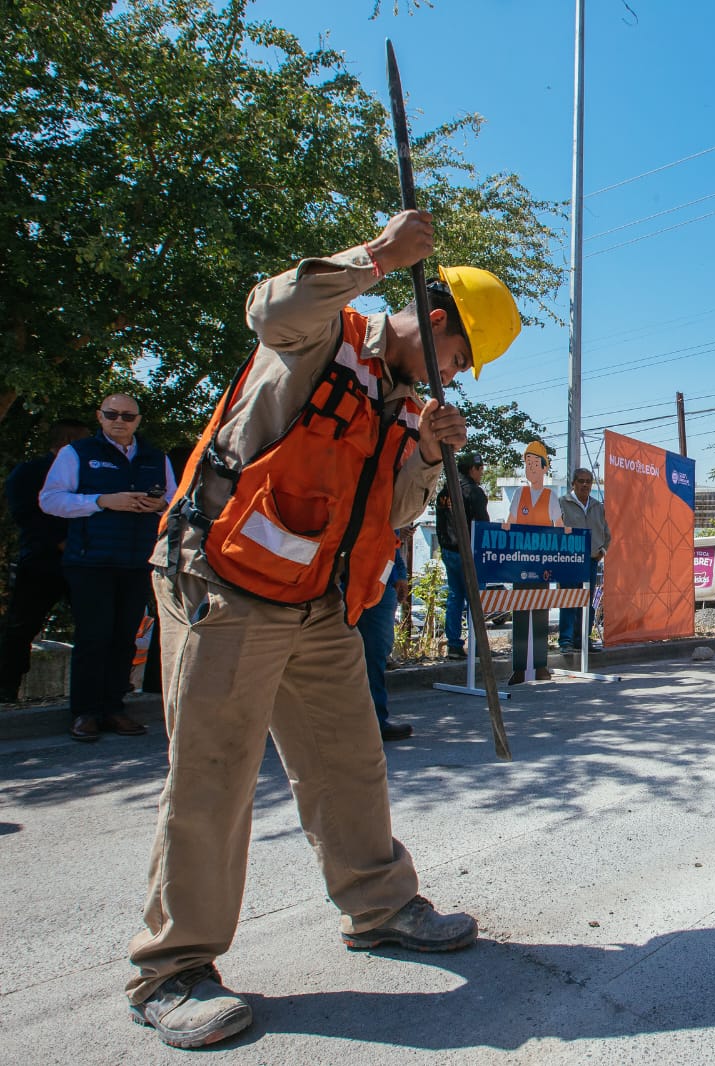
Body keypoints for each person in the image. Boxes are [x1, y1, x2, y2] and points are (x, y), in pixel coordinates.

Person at [129, 210, 521, 1049]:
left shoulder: (401, 403)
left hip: (316, 607)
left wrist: (423, 454)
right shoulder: (324, 334)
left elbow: (393, 514)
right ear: (437, 320)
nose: (453, 378)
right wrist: (377, 256)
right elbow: (268, 311)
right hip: (224, 585)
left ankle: (378, 907)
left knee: (349, 759)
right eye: (457, 360)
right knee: (212, 771)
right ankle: (172, 969)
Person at [39, 394, 174, 742]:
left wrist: (159, 504)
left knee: (124, 638)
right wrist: (101, 501)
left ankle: (115, 708)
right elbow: (50, 500)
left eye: (127, 416)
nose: (120, 421)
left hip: (136, 560)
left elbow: (177, 503)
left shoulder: (155, 457)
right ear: (99, 417)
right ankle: (85, 713)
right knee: (93, 637)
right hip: (91, 560)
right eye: (112, 414)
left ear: (138, 420)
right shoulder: (77, 453)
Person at [0, 419, 90, 702]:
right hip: (41, 562)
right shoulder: (30, 472)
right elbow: (24, 514)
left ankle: (92, 694)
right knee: (21, 626)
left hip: (84, 561)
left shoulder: (87, 473)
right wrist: (58, 542)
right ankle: (5, 690)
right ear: (69, 442)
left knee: (93, 626)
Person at [504, 438, 566, 683]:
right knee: (519, 612)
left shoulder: (551, 496)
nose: (530, 468)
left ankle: (540, 666)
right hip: (520, 562)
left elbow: (559, 526)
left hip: (542, 564)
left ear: (544, 467)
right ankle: (519, 669)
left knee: (540, 612)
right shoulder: (520, 493)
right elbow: (509, 522)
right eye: (527, 463)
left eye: (535, 463)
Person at [356, 540, 413, 741]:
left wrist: (400, 574)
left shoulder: (387, 509)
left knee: (375, 655)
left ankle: (376, 721)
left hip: (380, 583)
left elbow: (390, 538)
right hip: (344, 578)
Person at [436, 452, 490, 660]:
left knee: (455, 596)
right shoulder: (473, 492)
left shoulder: (444, 491)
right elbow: (483, 525)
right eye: (481, 470)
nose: (482, 474)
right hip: (469, 553)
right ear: (472, 469)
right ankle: (477, 645)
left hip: (449, 550)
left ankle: (454, 645)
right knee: (475, 599)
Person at [558, 466, 609, 652]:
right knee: (569, 599)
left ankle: (583, 640)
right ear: (573, 483)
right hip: (569, 561)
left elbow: (606, 533)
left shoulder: (597, 506)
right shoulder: (562, 503)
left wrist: (601, 550)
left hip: (590, 561)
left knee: (586, 602)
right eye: (581, 481)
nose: (585, 484)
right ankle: (566, 641)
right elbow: (555, 530)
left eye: (588, 481)